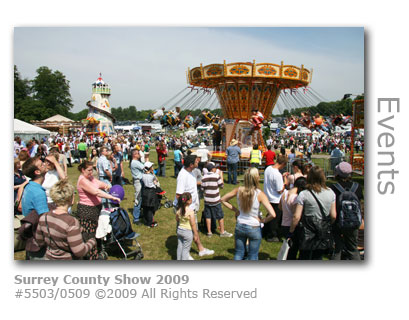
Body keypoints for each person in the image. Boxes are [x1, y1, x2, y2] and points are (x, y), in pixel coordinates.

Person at [221, 167, 276, 260]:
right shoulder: (259, 194)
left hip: (240, 224)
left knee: (238, 253)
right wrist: (263, 220)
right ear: (256, 178)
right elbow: (273, 214)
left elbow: (223, 199)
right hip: (254, 226)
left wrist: (236, 210)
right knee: (253, 255)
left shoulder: (238, 190)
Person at [35, 179, 97, 260]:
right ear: (70, 198)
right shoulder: (71, 222)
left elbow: (39, 241)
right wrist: (92, 241)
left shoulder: (44, 217)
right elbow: (79, 252)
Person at [289, 166, 337, 260]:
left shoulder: (304, 194)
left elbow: (296, 216)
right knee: (318, 256)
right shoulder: (331, 193)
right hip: (322, 229)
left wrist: (291, 231)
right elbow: (334, 215)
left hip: (307, 230)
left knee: (304, 256)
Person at [76, 161, 121, 260]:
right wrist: (111, 197)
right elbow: (96, 192)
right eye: (89, 170)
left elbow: (98, 183)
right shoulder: (83, 180)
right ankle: (91, 257)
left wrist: (107, 186)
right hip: (87, 211)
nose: (91, 172)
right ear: (83, 170)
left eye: (92, 170)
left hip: (95, 209)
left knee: (94, 233)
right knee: (89, 236)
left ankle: (95, 253)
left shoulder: (90, 178)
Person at [173, 154, 214, 258]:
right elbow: (179, 195)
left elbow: (191, 184)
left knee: (191, 231)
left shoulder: (190, 172)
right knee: (189, 231)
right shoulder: (183, 175)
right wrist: (185, 210)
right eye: (196, 161)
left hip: (191, 207)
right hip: (186, 210)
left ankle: (197, 250)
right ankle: (186, 255)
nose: (198, 162)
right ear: (191, 164)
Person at [330, 162, 363, 260]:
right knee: (353, 248)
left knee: (337, 249)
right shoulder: (357, 187)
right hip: (353, 221)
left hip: (338, 221)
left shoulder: (333, 188)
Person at [21, 155, 50, 260]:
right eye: (42, 164)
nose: (45, 164)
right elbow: (44, 220)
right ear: (37, 172)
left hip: (31, 237)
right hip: (38, 240)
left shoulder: (29, 186)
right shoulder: (38, 192)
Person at [201, 162, 232, 238]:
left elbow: (202, 188)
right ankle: (222, 231)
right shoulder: (216, 176)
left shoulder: (204, 177)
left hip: (207, 200)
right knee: (220, 216)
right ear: (212, 169)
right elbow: (222, 186)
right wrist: (221, 177)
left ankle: (209, 232)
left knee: (208, 216)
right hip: (215, 199)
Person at [279, 177, 307, 260]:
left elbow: (280, 207)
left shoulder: (284, 193)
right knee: (293, 249)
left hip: (284, 223)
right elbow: (296, 215)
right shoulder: (296, 198)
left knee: (289, 248)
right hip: (292, 226)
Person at [263, 154, 289, 242]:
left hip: (268, 196)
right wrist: (285, 182)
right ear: (283, 164)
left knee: (269, 215)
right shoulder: (277, 174)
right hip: (275, 198)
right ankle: (272, 235)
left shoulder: (268, 169)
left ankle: (265, 231)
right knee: (275, 219)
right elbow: (280, 190)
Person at [175, 192, 199, 260]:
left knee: (180, 247)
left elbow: (177, 219)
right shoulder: (190, 211)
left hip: (179, 230)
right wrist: (196, 234)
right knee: (185, 250)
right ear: (189, 201)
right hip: (187, 232)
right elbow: (193, 224)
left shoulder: (179, 210)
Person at [141, 161, 160, 227]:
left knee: (146, 207)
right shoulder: (152, 176)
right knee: (151, 207)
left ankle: (147, 220)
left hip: (145, 191)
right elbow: (156, 181)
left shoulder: (143, 175)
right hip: (151, 191)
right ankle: (150, 222)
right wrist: (153, 173)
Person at [130, 148, 145, 224]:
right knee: (138, 199)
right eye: (138, 153)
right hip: (138, 181)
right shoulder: (135, 162)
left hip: (139, 181)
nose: (139, 155)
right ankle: (136, 218)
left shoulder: (135, 162)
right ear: (134, 155)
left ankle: (138, 213)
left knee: (141, 197)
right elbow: (144, 167)